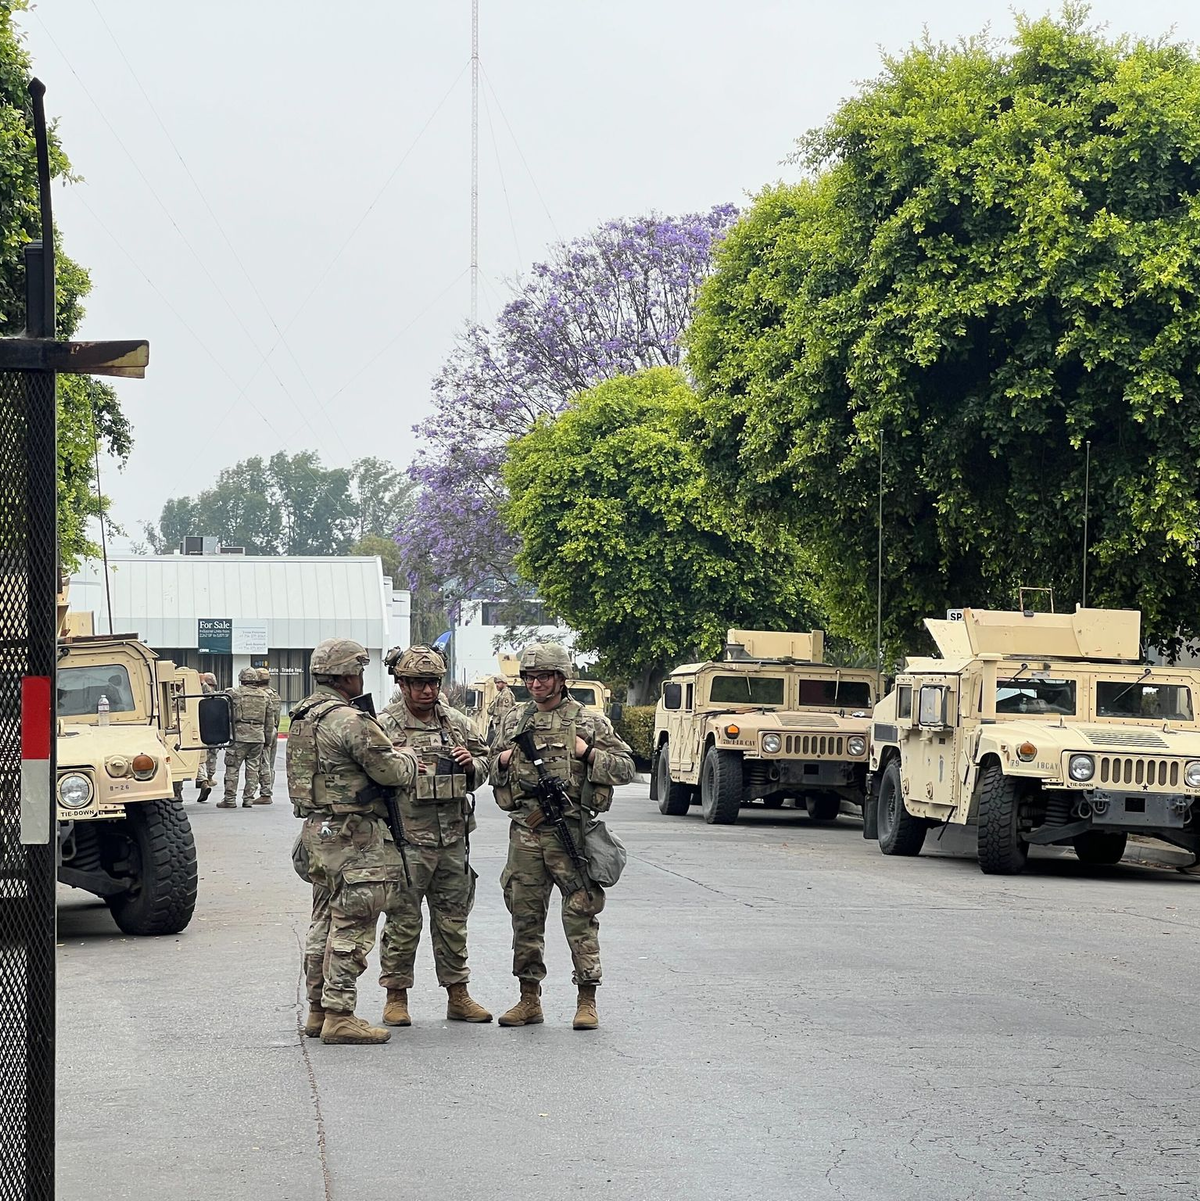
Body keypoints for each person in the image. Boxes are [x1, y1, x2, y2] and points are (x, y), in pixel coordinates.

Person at [489, 642, 634, 1031]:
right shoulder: (515, 721)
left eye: (543, 677)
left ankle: (587, 999)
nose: (535, 685)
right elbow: (490, 765)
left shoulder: (589, 722)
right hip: (526, 831)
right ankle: (528, 998)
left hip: (571, 832)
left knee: (581, 912)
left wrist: (588, 755)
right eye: (529, 678)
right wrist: (501, 761)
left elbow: (626, 768)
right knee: (525, 916)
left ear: (561, 678)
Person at [287, 638, 420, 1046]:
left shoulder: (303, 716)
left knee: (323, 923)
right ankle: (340, 1015)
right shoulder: (349, 720)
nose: (361, 676)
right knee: (354, 924)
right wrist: (409, 756)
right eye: (359, 669)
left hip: (318, 833)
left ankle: (317, 1010)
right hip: (353, 837)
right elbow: (392, 771)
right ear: (347, 675)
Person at [376, 645, 492, 1025]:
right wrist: (399, 758)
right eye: (418, 683)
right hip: (406, 841)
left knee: (453, 920)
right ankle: (396, 996)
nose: (427, 691)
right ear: (403, 684)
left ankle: (458, 993)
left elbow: (486, 761)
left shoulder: (457, 723)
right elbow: (369, 773)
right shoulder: (384, 724)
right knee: (402, 921)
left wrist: (470, 764)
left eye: (433, 683)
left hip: (452, 840)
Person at [218, 668, 273, 808]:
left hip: (239, 736)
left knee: (232, 767)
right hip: (258, 737)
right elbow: (269, 722)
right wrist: (267, 741)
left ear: (241, 679)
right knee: (253, 768)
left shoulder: (234, 693)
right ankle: (248, 799)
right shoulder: (265, 696)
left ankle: (229, 799)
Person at [254, 667, 282, 805]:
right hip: (274, 729)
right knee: (270, 762)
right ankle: (268, 788)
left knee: (263, 761)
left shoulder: (260, 694)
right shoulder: (274, 694)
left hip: (265, 730)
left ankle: (265, 793)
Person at [195, 671, 219, 803]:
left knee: (204, 757)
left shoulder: (210, 694)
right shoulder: (192, 692)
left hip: (203, 730)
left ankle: (205, 779)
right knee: (202, 757)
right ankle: (205, 780)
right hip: (201, 730)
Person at [486, 674, 515, 741]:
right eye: (496, 683)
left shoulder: (506, 694)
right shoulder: (500, 694)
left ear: (504, 683)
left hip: (502, 726)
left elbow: (505, 713)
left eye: (499, 683)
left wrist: (503, 729)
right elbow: (490, 710)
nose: (497, 685)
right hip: (498, 724)